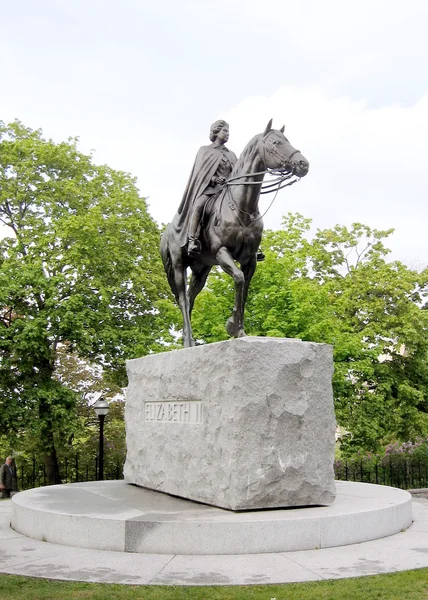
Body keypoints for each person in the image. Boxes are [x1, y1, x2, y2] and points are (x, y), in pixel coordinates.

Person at [176, 119, 238, 256]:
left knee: (246, 208)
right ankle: (192, 240)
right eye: (225, 131)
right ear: (216, 132)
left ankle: (251, 245)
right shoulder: (205, 150)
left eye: (228, 131)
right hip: (210, 190)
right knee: (198, 206)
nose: (228, 134)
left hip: (228, 193)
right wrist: (215, 179)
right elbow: (200, 174)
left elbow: (238, 175)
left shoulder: (231, 154)